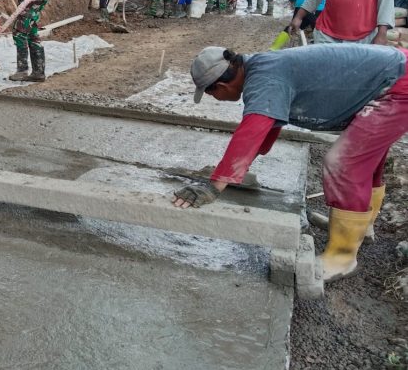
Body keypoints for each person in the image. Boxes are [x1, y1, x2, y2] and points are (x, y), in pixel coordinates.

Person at [174, 44, 408, 282]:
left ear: (221, 86)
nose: (215, 98)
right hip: (392, 77)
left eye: (211, 93)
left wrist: (214, 187)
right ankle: (359, 228)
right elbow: (263, 133)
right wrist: (231, 173)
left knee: (344, 163)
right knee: (368, 158)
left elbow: (251, 132)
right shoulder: (261, 67)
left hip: (397, 87)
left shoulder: (265, 79)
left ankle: (342, 257)